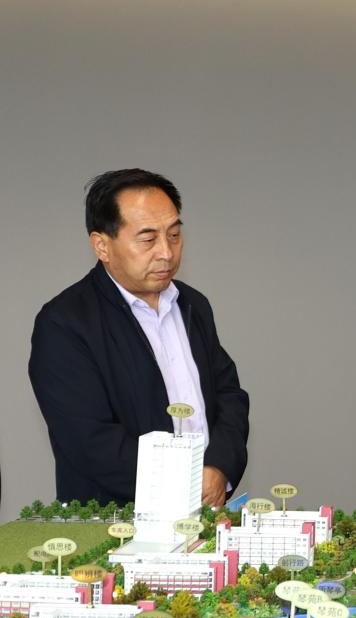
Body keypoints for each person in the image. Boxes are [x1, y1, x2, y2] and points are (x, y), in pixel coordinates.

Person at [29, 169, 249, 507]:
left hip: (206, 509)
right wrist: (185, 481)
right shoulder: (65, 322)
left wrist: (218, 467)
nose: (166, 252)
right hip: (116, 521)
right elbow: (88, 438)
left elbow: (229, 395)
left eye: (174, 235)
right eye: (148, 240)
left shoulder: (193, 304)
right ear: (102, 245)